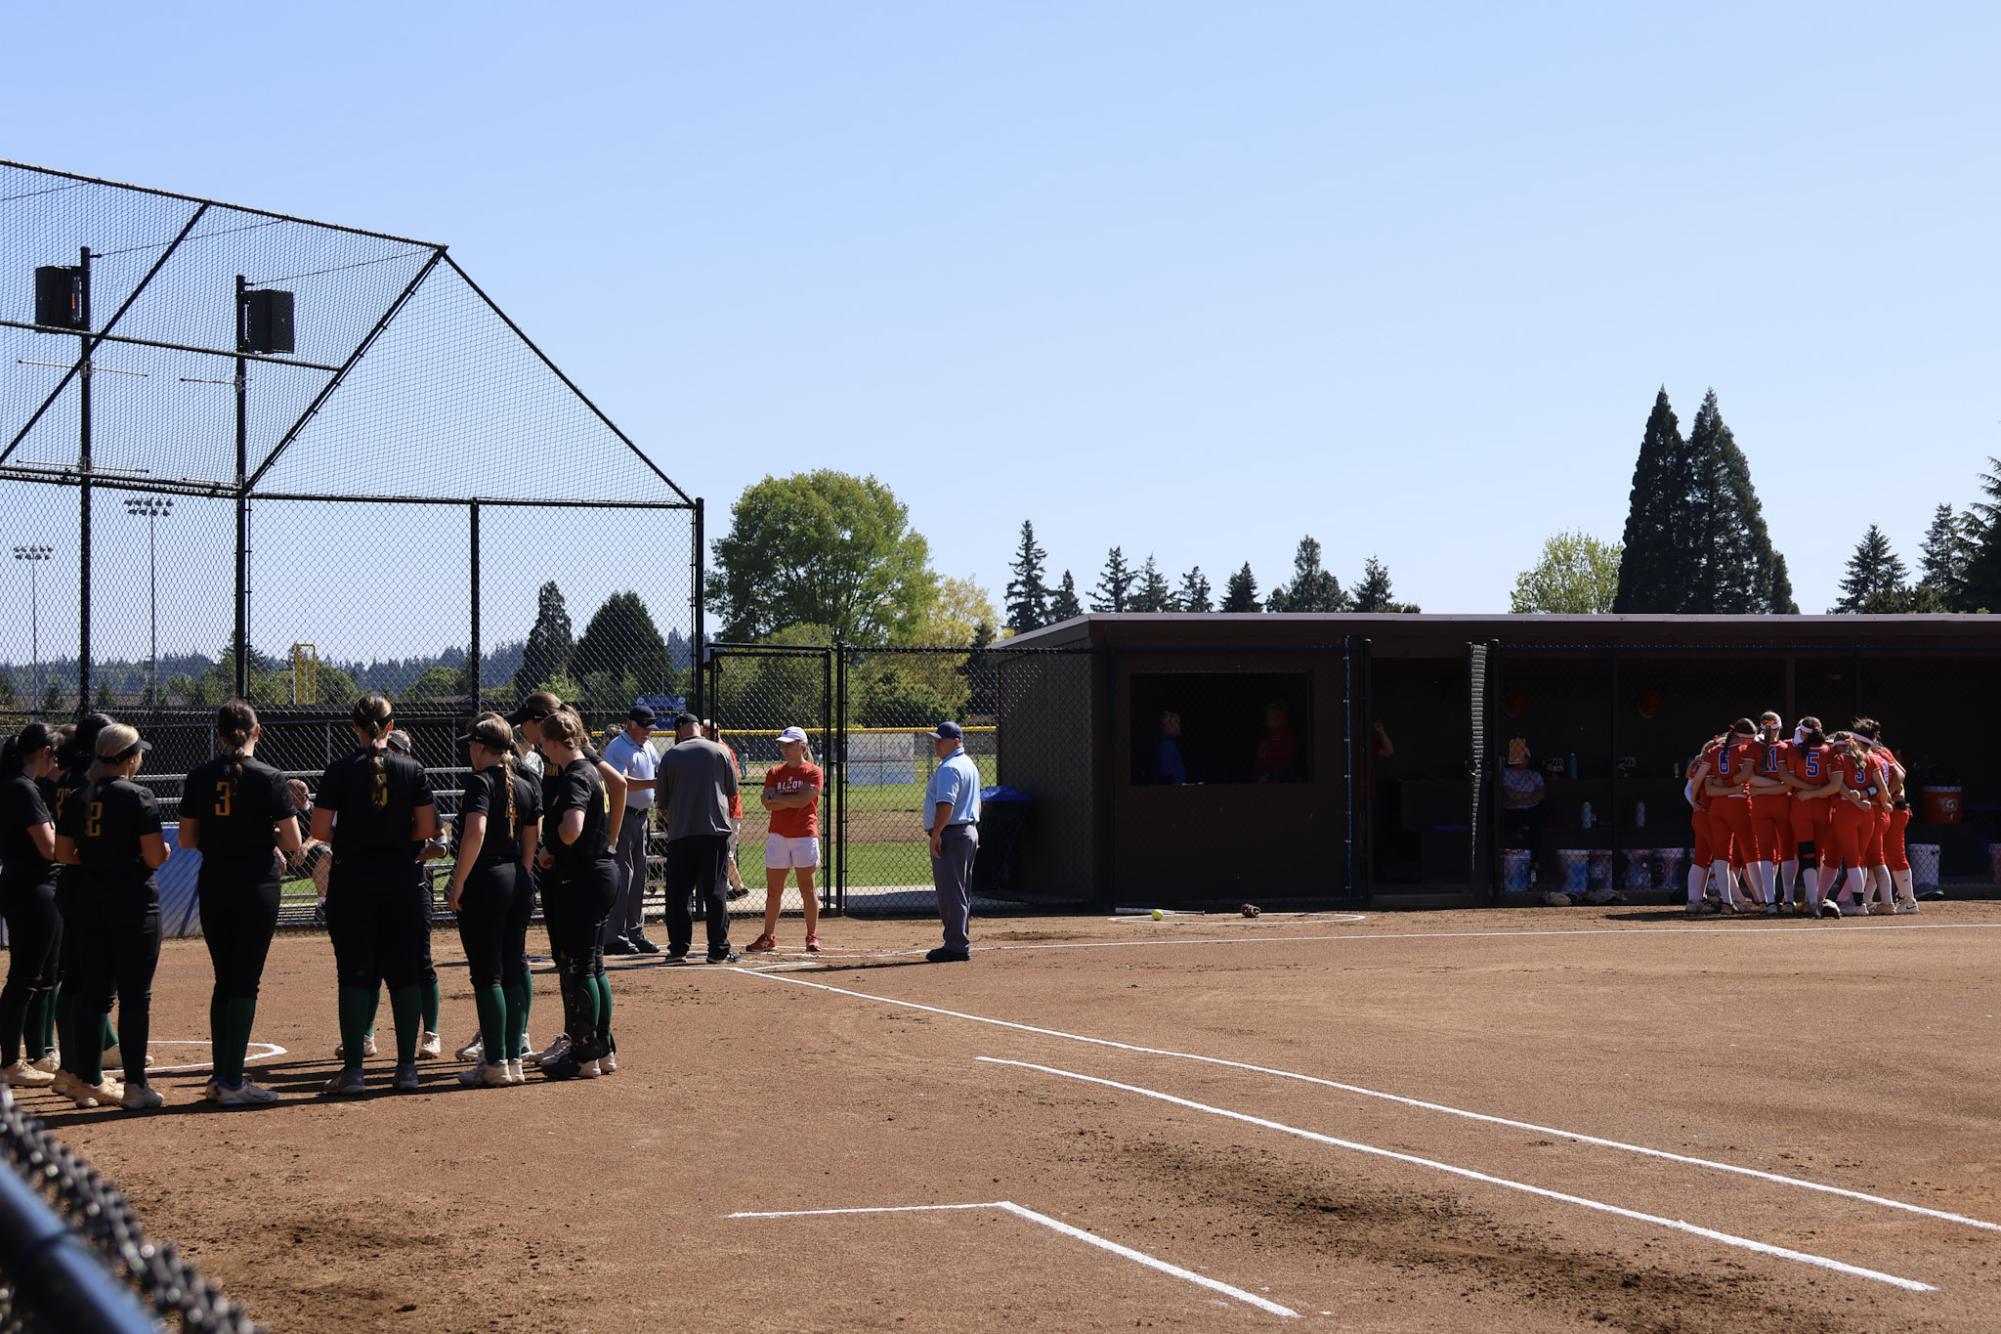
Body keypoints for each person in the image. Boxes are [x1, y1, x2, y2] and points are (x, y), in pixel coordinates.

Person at [177, 702, 302, 1106]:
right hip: (256, 885)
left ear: (219, 735)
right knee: (246, 979)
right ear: (256, 732)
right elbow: (294, 844)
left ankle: (221, 1076)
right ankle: (232, 1082)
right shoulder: (270, 778)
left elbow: (187, 839)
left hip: (214, 881)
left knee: (224, 978)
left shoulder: (199, 776)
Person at [314, 694, 439, 1096]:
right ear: (390, 726)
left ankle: (353, 1072)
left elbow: (318, 830)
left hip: (352, 884)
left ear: (355, 727)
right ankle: (406, 1069)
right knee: (404, 974)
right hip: (402, 882)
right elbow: (425, 829)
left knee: (354, 974)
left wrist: (355, 836)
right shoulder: (413, 769)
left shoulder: (339, 770)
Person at [54, 724, 170, 1110]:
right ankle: (136, 1086)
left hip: (89, 900)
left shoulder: (78, 796)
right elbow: (153, 857)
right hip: (133, 902)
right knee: (136, 998)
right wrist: (162, 852)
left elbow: (63, 854)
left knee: (94, 995)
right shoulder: (140, 796)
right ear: (129, 758)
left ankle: (88, 1083)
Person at [448, 714, 542, 1087]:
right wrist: (522, 872)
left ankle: (495, 1063)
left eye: (472, 744)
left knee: (488, 973)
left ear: (482, 747)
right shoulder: (525, 781)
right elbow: (532, 837)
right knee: (514, 964)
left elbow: (476, 831)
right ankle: (514, 1059)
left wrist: (459, 881)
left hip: (486, 878)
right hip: (518, 877)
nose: (469, 750)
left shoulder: (479, 782)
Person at [534, 709, 619, 1080]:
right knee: (595, 965)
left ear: (554, 742)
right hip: (600, 872)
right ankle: (603, 1050)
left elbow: (572, 828)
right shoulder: (593, 771)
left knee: (579, 968)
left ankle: (584, 1054)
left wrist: (549, 847)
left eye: (544, 745)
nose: (544, 752)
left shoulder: (575, 775)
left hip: (583, 878)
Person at [0, 724, 61, 1087]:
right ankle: (10, 1061)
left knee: (34, 975)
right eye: (53, 754)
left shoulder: (18, 786)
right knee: (24, 977)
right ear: (43, 753)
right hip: (33, 888)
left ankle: (28, 1055)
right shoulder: (23, 789)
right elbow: (49, 847)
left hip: (27, 886)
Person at [653, 712, 740, 964]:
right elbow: (732, 789)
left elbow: (662, 801)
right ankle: (718, 949)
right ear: (698, 728)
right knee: (715, 890)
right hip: (714, 831)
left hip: (681, 832)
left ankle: (679, 949)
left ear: (680, 731)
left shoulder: (672, 755)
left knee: (678, 893)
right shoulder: (720, 750)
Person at [746, 726, 823, 954]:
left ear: (803, 746)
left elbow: (803, 801)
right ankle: (768, 936)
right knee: (773, 891)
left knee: (807, 889)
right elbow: (766, 803)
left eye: (790, 744)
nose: (784, 748)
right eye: (783, 744)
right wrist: (790, 799)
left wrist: (779, 798)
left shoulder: (813, 771)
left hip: (804, 834)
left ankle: (812, 936)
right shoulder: (774, 772)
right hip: (778, 835)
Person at [601, 705, 660, 955]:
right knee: (623, 876)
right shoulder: (618, 748)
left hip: (642, 818)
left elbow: (660, 767)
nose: (648, 732)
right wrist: (656, 783)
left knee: (638, 879)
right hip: (621, 817)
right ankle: (614, 936)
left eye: (650, 728)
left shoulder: (647, 745)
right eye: (644, 727)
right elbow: (621, 783)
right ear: (630, 725)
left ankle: (635, 932)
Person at [922, 721, 982, 963]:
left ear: (955, 742)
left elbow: (946, 804)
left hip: (953, 832)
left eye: (940, 740)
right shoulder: (968, 764)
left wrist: (937, 833)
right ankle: (958, 941)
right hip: (967, 830)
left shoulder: (950, 767)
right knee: (960, 891)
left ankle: (956, 945)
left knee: (951, 892)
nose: (936, 744)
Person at [1703, 719, 1761, 912]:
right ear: (1743, 737)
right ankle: (1763, 900)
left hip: (1717, 807)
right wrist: (1733, 785)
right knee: (1751, 852)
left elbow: (1707, 788)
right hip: (1738, 804)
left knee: (1721, 855)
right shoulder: (1744, 751)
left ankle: (1727, 901)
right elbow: (1745, 776)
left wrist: (1724, 784)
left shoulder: (1713, 751)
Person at [703, 720, 750, 900]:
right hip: (723, 809)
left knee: (725, 852)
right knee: (721, 850)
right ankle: (734, 887)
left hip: (729, 810)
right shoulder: (717, 749)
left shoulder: (722, 751)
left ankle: (737, 887)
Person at [1498, 738, 1552, 889]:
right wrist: (1526, 797)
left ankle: (1535, 862)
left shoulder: (1534, 775)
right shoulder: (1505, 774)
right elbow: (1509, 794)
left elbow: (1539, 794)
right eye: (1518, 756)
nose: (1521, 760)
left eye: (1524, 757)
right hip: (1511, 811)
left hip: (1531, 810)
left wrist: (1522, 798)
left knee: (1537, 826)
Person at [1253, 703, 1298, 782]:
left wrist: (1268, 776)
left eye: (1272, 713)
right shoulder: (1269, 735)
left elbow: (1284, 763)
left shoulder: (1286, 734)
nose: (1268, 716)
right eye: (1268, 713)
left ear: (1281, 715)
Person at [1153, 711, 1188, 785]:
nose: (1178, 728)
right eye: (1176, 723)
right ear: (1167, 725)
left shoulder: (1167, 742)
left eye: (1178, 723)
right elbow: (1165, 776)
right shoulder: (1165, 744)